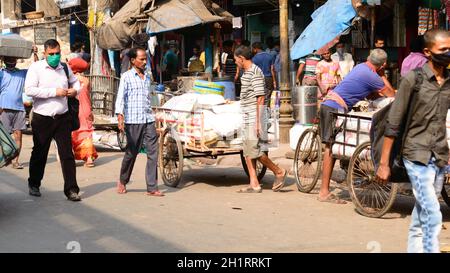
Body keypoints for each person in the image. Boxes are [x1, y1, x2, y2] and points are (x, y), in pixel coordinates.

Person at [376, 29, 450, 253]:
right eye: (443, 49)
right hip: (415, 154)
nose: (448, 53)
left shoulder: (448, 82)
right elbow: (394, 123)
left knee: (420, 216)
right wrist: (383, 163)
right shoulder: (413, 79)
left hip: (439, 156)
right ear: (428, 52)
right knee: (433, 212)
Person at [318, 49, 395, 204]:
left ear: (368, 58)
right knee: (330, 148)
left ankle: (352, 176)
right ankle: (324, 192)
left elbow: (370, 94)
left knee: (336, 145)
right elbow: (391, 94)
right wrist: (382, 75)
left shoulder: (360, 67)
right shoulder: (373, 75)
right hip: (334, 107)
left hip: (331, 104)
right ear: (383, 65)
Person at [24, 39, 82, 201]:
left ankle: (71, 190)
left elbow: (76, 83)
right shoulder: (36, 68)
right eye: (51, 54)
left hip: (62, 117)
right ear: (45, 53)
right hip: (42, 118)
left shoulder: (64, 67)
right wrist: (53, 92)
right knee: (40, 152)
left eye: (57, 53)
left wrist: (74, 91)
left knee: (67, 154)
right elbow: (29, 90)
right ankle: (34, 183)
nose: (55, 57)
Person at [233, 45, 287, 193]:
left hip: (254, 115)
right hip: (247, 114)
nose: (235, 62)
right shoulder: (247, 72)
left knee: (255, 151)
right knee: (247, 151)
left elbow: (261, 98)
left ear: (242, 59)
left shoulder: (255, 72)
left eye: (236, 59)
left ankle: (279, 171)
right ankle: (254, 183)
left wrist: (258, 122)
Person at [115, 47, 163, 197]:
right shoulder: (126, 77)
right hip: (133, 120)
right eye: (141, 59)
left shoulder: (147, 76)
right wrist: (120, 116)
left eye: (145, 59)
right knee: (131, 152)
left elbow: (149, 97)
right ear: (133, 61)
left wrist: (155, 113)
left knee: (153, 153)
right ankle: (123, 180)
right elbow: (120, 97)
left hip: (148, 119)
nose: (144, 62)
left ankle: (152, 187)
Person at [68, 58, 98, 168]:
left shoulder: (70, 81)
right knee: (86, 133)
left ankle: (70, 157)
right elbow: (88, 96)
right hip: (86, 109)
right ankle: (89, 158)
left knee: (73, 133)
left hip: (74, 109)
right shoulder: (86, 80)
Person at [0, 56, 28, 169]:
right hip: (3, 109)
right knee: (3, 137)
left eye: (13, 60)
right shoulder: (1, 73)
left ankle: (15, 161)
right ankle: (4, 158)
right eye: (9, 60)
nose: (11, 62)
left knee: (18, 136)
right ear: (4, 61)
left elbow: (36, 69)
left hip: (19, 109)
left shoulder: (22, 73)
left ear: (16, 61)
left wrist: (34, 53)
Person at [252, 42, 276, 108]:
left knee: (260, 95)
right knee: (268, 95)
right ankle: (267, 110)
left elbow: (253, 70)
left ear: (255, 49)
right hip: (269, 77)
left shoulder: (254, 58)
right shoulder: (270, 56)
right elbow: (272, 69)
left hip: (258, 78)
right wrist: (274, 81)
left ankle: (261, 110)